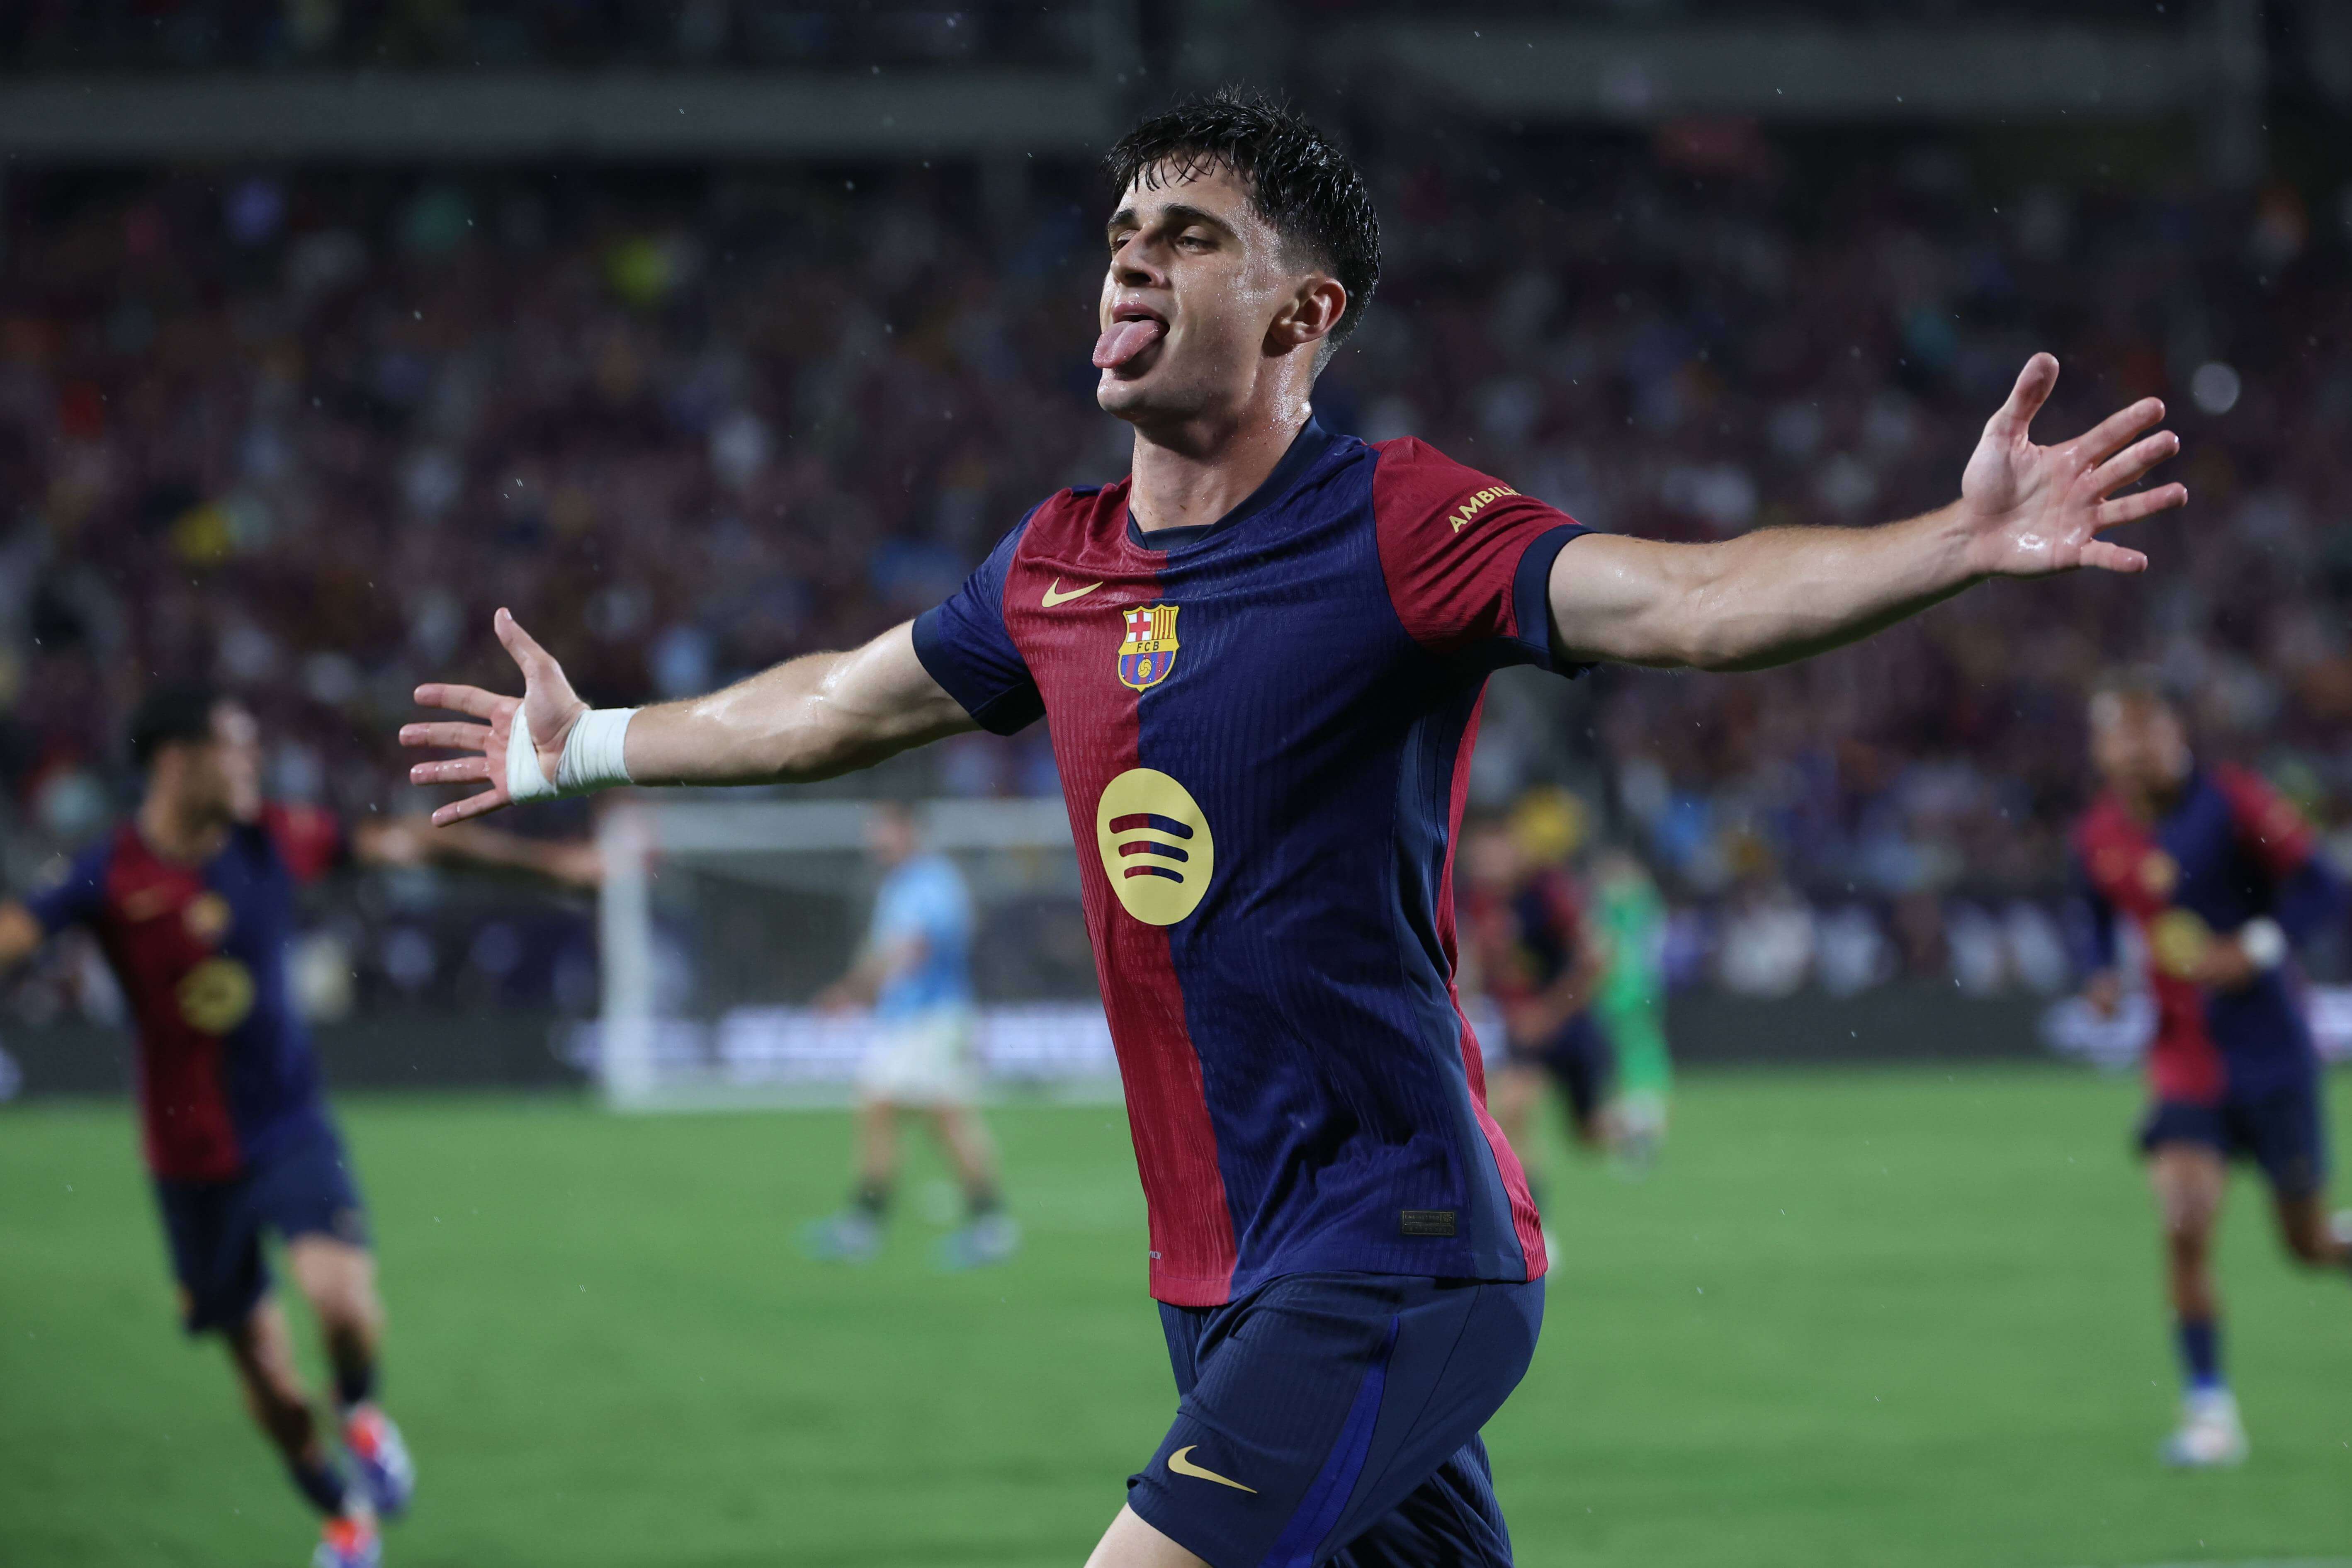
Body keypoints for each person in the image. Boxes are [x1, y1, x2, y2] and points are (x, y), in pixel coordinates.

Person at [404, 90, 2185, 1568]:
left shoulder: (1398, 525)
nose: (1131, 254)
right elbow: (831, 708)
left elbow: (1685, 596)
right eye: (1123, 229)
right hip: (1219, 1270)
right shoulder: (1053, 564)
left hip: (1398, 1239)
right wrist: (592, 743)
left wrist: (1939, 543)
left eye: (1188, 236)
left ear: (1298, 317)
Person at [0, 683, 598, 1568]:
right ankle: (344, 1520)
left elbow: (408, 847)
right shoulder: (108, 871)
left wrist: (552, 871)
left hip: (288, 1126)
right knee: (271, 1386)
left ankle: (360, 1411)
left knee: (342, 1303)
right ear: (177, 762)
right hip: (190, 1162)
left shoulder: (275, 836)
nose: (254, 763)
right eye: (235, 747)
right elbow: (17, 932)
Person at [2071, 672, 2352, 1468]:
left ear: (2174, 736)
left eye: (2150, 730)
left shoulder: (2232, 803)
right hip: (2182, 1059)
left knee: (2304, 1245)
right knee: (2184, 1221)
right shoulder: (2097, 834)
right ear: (2101, 751)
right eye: (2123, 734)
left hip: (2269, 1053)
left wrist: (2255, 947)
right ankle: (2209, 1411)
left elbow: (2322, 888)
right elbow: (2090, 911)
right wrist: (2096, 972)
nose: (2140, 747)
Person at [802, 799, 1018, 1269]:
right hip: (913, 1020)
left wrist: (850, 992)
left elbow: (911, 950)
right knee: (928, 1118)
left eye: (882, 830)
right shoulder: (908, 883)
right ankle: (982, 1225)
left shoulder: (930, 881)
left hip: (928, 1021)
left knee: (909, 1113)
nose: (875, 841)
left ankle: (870, 1226)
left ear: (907, 831)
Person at [1458, 811, 1614, 1214]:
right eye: (1479, 855)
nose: (1486, 863)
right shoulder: (1475, 899)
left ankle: (1632, 1131)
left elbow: (1596, 958)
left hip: (1568, 1022)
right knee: (1513, 1109)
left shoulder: (1547, 892)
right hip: (1522, 1032)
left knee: (1588, 1135)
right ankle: (1532, 1222)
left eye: (1495, 852)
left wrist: (1547, 1013)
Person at [1590, 846, 1672, 1172]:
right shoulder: (1646, 903)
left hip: (1619, 992)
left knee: (1626, 1060)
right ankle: (1639, 1130)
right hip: (1643, 989)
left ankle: (1635, 1133)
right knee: (1641, 1057)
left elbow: (1604, 945)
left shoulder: (1615, 906)